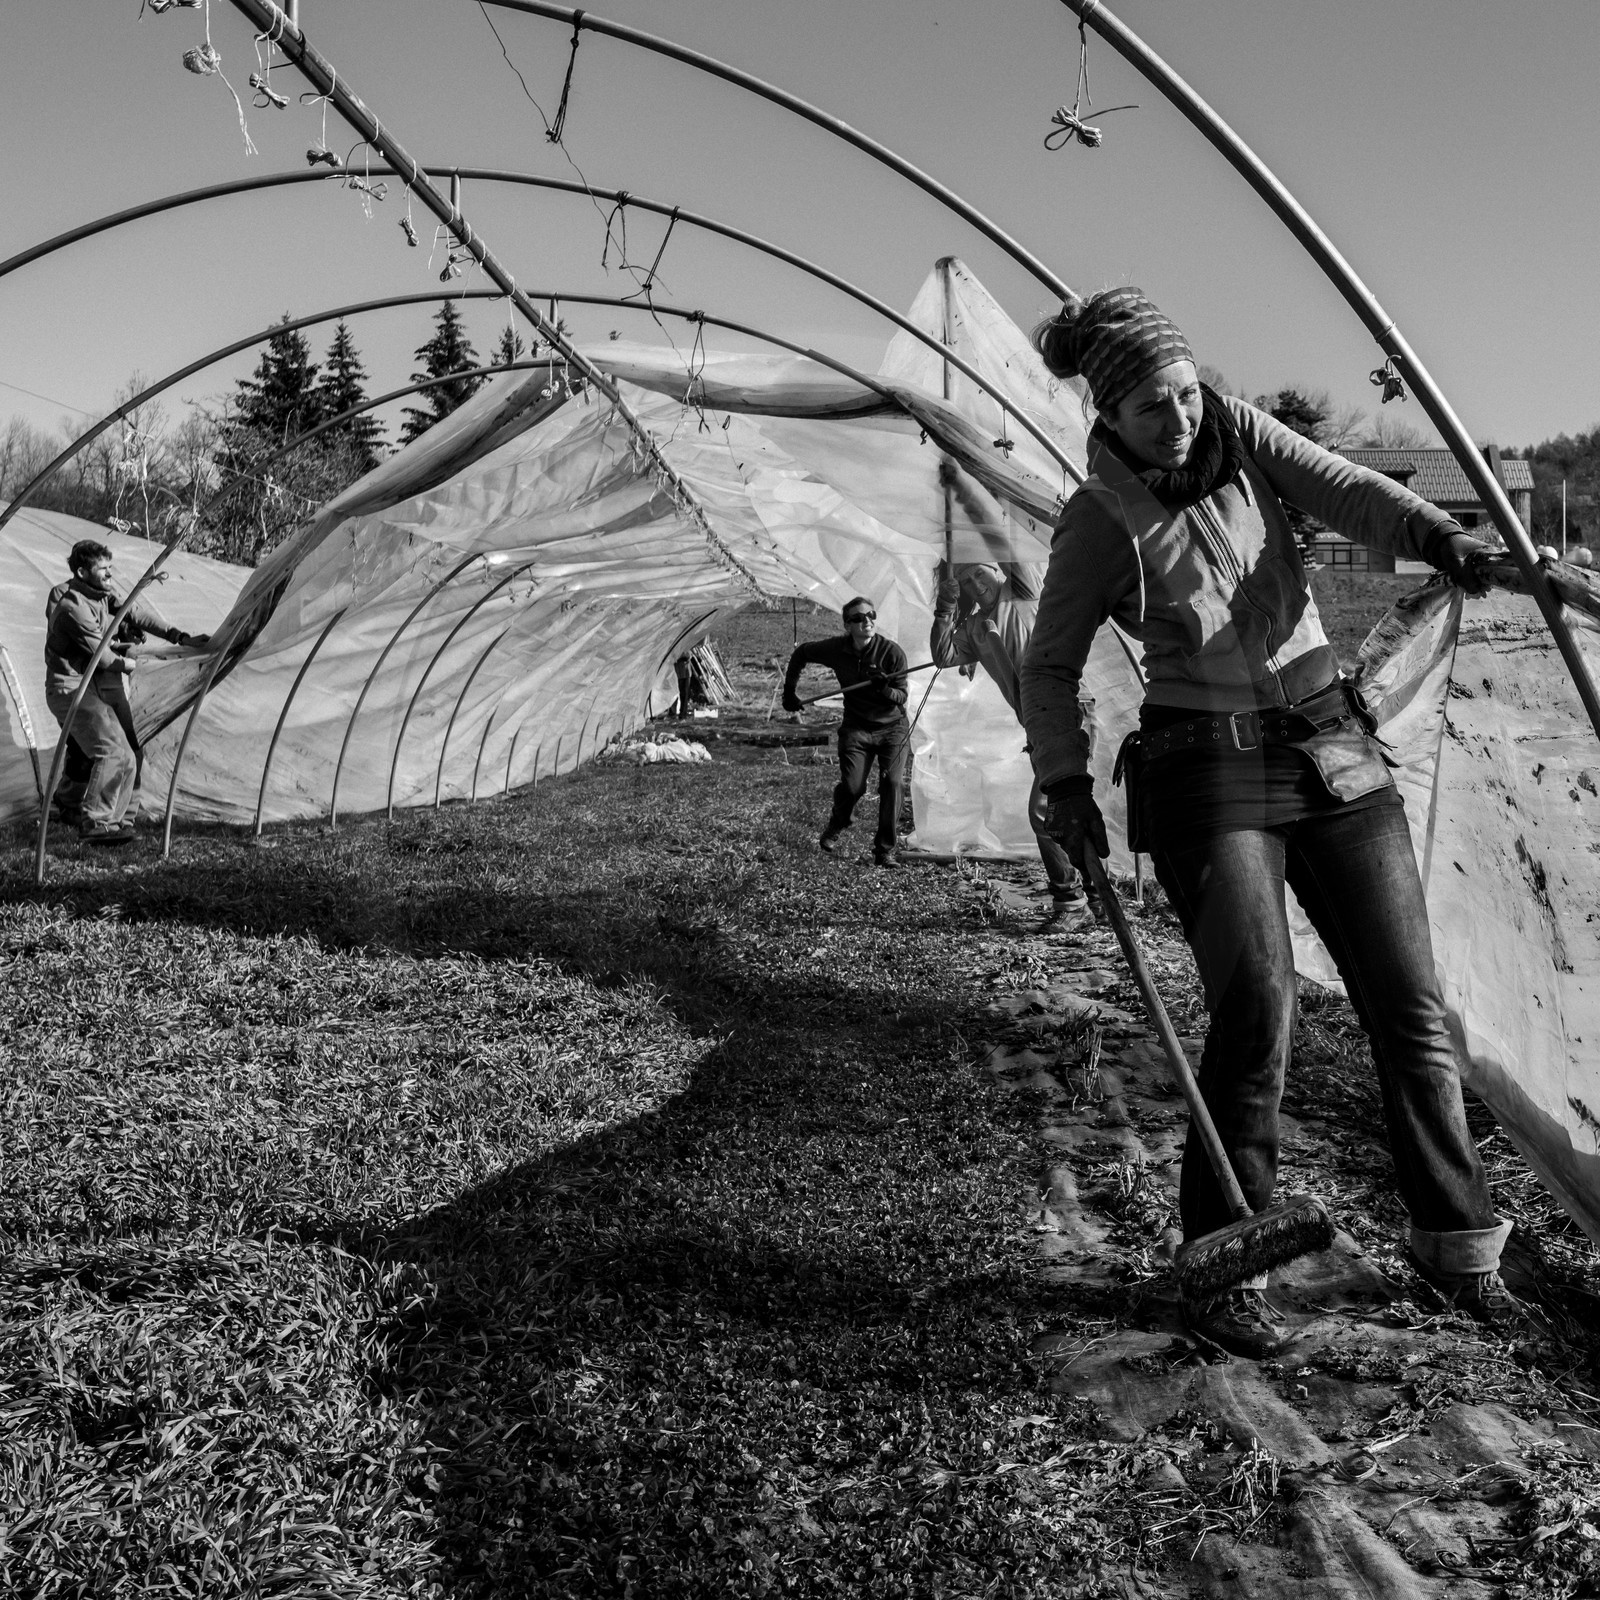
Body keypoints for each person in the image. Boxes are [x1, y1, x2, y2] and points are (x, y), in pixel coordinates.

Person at [1019, 286, 1509, 1357]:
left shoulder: (1240, 434)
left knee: (1409, 1006)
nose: (1179, 420)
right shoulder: (1100, 517)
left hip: (1329, 743)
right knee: (1258, 1010)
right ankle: (1225, 1264)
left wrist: (1440, 536)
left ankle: (1458, 1247)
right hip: (1207, 769)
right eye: (1151, 407)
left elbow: (1350, 490)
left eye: (1186, 394)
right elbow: (1047, 664)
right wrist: (1063, 781)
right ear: (1109, 414)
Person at [930, 556, 1090, 919]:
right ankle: (1091, 895)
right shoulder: (974, 627)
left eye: (979, 573)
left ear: (997, 570)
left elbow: (1006, 541)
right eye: (965, 581)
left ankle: (1072, 899)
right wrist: (944, 608)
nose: (976, 585)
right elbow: (943, 655)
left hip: (1069, 710)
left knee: (1047, 809)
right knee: (1065, 805)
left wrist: (975, 526)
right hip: (1037, 722)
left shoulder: (1021, 590)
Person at [44, 540, 207, 845]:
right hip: (72, 687)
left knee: (128, 753)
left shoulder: (103, 596)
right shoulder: (69, 603)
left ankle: (115, 821)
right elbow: (101, 655)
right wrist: (134, 657)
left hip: (95, 684)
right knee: (106, 751)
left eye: (110, 566)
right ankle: (89, 817)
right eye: (102, 568)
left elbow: (134, 613)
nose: (110, 573)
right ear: (81, 572)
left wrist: (179, 637)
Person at [782, 597, 910, 867]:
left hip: (892, 728)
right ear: (847, 625)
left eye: (871, 615)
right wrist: (789, 692)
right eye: (858, 618)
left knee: (893, 783)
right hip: (857, 727)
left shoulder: (892, 652)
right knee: (853, 787)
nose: (867, 621)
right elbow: (801, 653)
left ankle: (884, 850)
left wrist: (884, 689)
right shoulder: (836, 649)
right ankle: (839, 822)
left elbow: (901, 696)